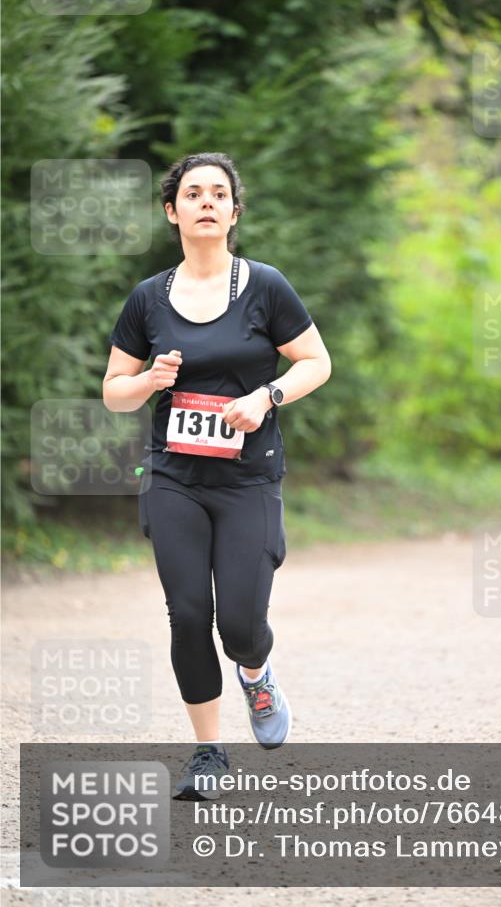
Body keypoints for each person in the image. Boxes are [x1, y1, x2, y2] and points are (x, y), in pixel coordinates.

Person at [103, 152, 331, 799]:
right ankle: (207, 752)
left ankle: (255, 674)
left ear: (234, 211)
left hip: (246, 479)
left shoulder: (264, 287)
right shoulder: (148, 298)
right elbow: (114, 391)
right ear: (172, 212)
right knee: (185, 613)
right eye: (192, 193)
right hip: (174, 478)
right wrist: (146, 381)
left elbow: (315, 362)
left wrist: (267, 398)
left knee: (237, 623)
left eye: (218, 194)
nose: (206, 202)